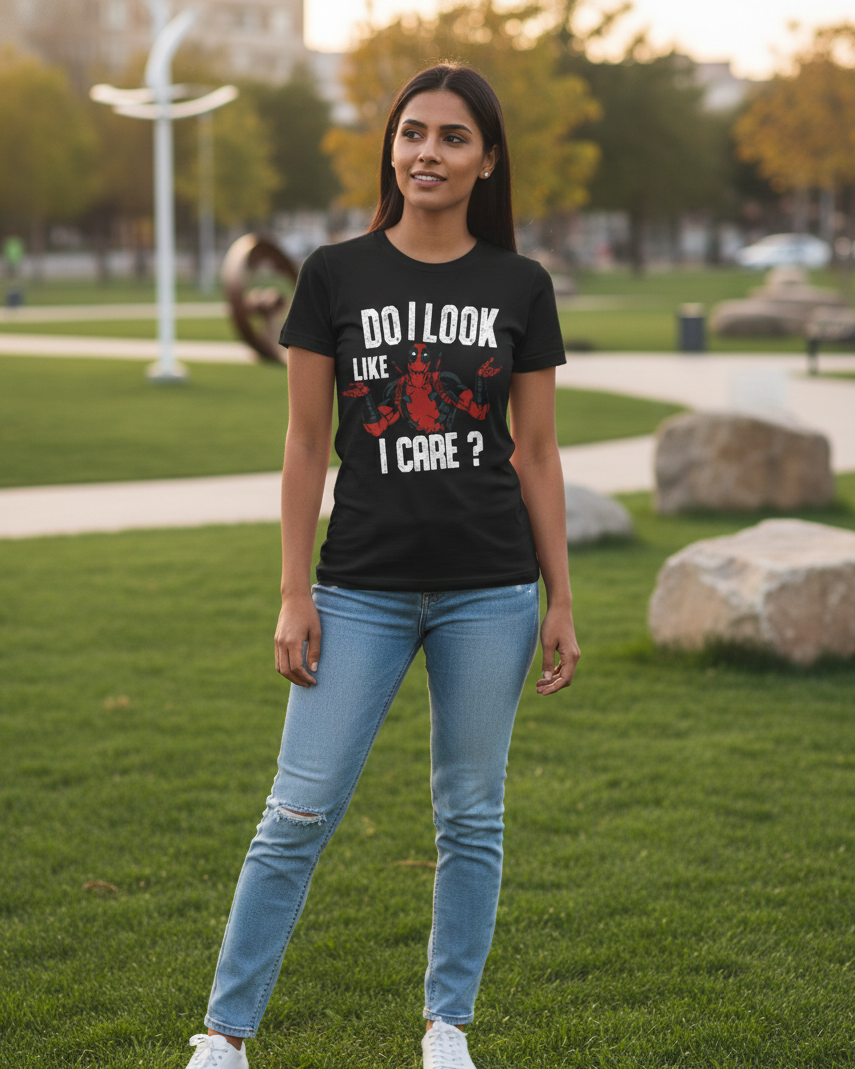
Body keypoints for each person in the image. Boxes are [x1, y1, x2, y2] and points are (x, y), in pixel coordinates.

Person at [184, 62, 581, 1069]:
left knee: (471, 816)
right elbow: (304, 445)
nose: (428, 154)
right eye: (413, 133)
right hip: (355, 587)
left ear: (488, 160)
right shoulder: (334, 274)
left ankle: (447, 1028)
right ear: (390, 148)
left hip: (491, 590)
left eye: (453, 138)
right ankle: (223, 1036)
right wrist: (291, 591)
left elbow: (536, 451)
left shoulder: (518, 286)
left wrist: (560, 598)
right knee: (296, 812)